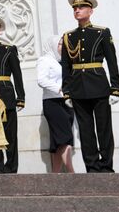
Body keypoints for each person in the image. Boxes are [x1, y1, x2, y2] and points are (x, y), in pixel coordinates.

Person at [61, 0, 119, 173]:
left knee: (104, 129)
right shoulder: (68, 36)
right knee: (86, 131)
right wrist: (67, 91)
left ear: (90, 10)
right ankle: (92, 168)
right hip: (78, 88)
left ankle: (106, 166)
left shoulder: (102, 32)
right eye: (74, 8)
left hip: (99, 85)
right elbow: (66, 66)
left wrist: (115, 88)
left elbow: (112, 61)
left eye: (81, 7)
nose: (77, 10)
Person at [0, 15, 25, 173]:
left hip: (5, 95)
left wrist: (20, 97)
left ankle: (11, 168)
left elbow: (17, 74)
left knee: (10, 135)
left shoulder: (8, 50)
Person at [37, 35, 75, 173]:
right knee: (65, 138)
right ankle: (72, 173)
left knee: (57, 141)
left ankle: (55, 174)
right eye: (59, 44)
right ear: (52, 45)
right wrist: (59, 89)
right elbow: (41, 80)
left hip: (66, 103)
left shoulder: (62, 62)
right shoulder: (44, 60)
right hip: (53, 103)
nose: (62, 47)